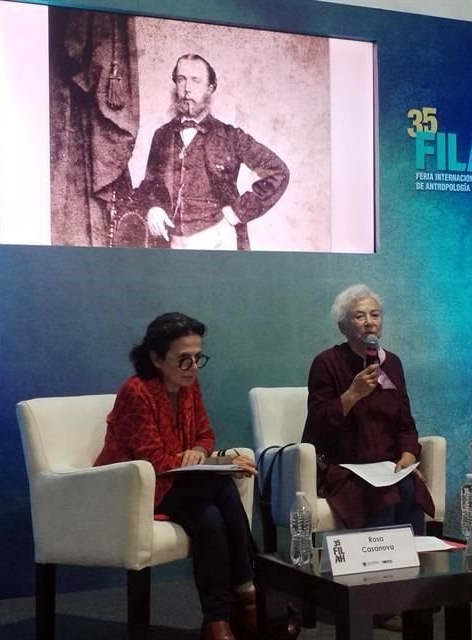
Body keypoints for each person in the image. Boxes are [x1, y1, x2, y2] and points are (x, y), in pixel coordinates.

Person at [94, 312, 259, 640]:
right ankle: (249, 594)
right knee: (219, 488)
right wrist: (208, 462)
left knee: (211, 517)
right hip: (134, 487)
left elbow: (205, 432)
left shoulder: (189, 386)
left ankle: (217, 620)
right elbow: (152, 461)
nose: (193, 368)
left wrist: (199, 450)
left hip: (180, 484)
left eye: (198, 358)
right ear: (156, 358)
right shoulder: (136, 391)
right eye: (184, 360)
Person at [302, 284, 436, 534]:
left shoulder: (392, 363)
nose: (369, 322)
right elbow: (318, 424)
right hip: (345, 467)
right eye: (359, 316)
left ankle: (415, 566)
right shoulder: (327, 362)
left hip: (387, 467)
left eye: (375, 315)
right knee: (383, 496)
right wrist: (353, 394)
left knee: (409, 490)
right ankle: (376, 568)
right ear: (343, 327)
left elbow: (405, 421)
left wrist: (408, 454)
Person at [135, 54, 290, 250]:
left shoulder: (230, 136)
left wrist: (235, 214)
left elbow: (279, 172)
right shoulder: (162, 136)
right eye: (181, 79)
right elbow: (150, 185)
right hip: (171, 244)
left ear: (210, 88)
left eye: (195, 80)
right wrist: (153, 207)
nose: (187, 88)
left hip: (218, 241)